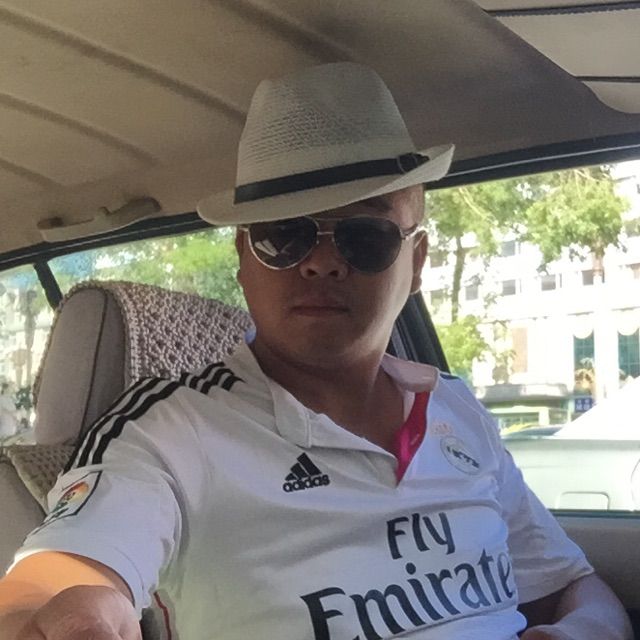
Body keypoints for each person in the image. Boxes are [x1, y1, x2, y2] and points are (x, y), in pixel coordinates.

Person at [0, 62, 632, 640]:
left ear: (416, 261)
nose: (322, 262)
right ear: (244, 259)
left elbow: (572, 586)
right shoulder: (169, 431)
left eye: (365, 236)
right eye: (284, 235)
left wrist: (579, 632)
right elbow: (62, 576)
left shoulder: (459, 412)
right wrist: (66, 611)